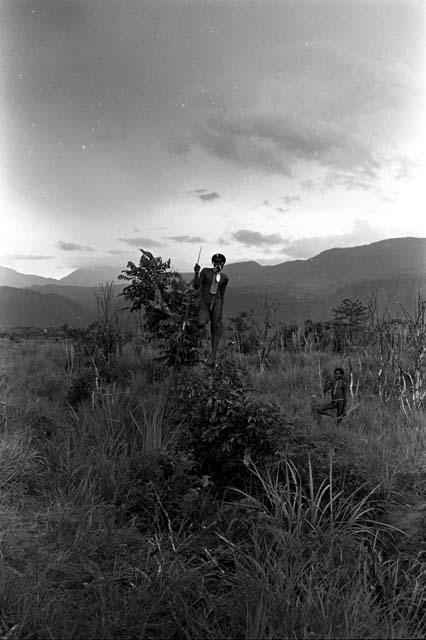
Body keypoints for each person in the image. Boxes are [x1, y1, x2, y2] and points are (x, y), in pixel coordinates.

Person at [193, 253, 229, 367]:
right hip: (205, 302)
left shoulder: (224, 278)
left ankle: (212, 357)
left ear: (223, 264)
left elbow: (222, 295)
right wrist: (196, 272)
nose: (219, 264)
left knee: (215, 328)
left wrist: (220, 312)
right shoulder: (205, 272)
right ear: (213, 263)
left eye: (221, 263)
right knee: (201, 322)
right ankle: (199, 348)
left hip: (217, 302)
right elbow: (196, 285)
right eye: (217, 262)